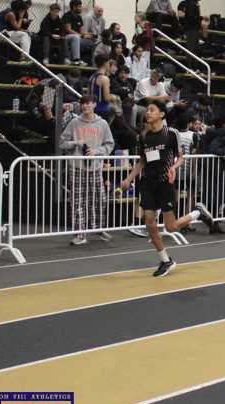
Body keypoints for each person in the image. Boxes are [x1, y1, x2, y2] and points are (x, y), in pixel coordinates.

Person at [120, 101, 215, 276]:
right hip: (148, 183)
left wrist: (173, 167)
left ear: (161, 114)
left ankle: (197, 212)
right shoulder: (143, 137)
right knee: (150, 223)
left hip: (165, 183)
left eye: (152, 110)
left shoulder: (171, 133)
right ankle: (165, 260)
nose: (148, 113)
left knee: (171, 227)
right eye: (147, 110)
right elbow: (142, 162)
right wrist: (128, 179)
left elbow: (180, 157)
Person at [60, 95, 115, 245]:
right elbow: (62, 142)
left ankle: (98, 228)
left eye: (88, 103)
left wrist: (97, 151)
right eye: (83, 103)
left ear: (94, 105)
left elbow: (109, 145)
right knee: (78, 201)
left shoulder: (102, 124)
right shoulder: (74, 122)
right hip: (77, 167)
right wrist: (75, 143)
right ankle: (80, 233)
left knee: (100, 199)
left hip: (95, 167)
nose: (85, 106)